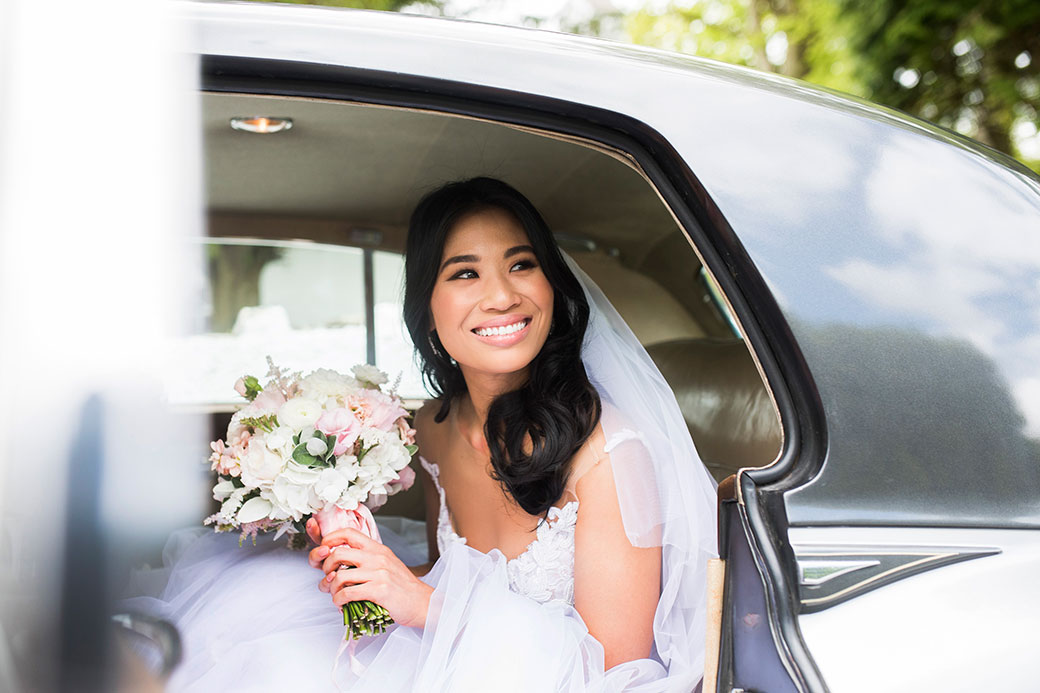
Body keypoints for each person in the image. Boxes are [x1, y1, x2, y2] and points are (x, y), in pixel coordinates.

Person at [120, 177, 718, 692]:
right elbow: (445, 569)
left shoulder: (611, 453)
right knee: (264, 618)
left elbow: (614, 671)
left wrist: (424, 605)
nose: (502, 296)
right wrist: (366, 567)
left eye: (522, 264)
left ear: (552, 289)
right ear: (427, 311)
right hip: (449, 656)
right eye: (466, 273)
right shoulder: (435, 427)